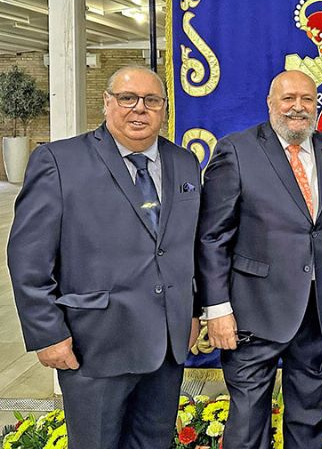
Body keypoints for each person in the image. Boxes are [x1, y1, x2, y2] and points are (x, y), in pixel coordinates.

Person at [7, 65, 202, 449]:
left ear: (164, 108)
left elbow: (186, 246)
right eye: (128, 98)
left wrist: (191, 312)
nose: (139, 109)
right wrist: (48, 332)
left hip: (165, 345)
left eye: (151, 101)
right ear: (107, 102)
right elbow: (28, 257)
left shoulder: (184, 162)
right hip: (93, 345)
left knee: (154, 442)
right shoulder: (60, 161)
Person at [196, 70, 322, 449]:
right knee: (249, 423)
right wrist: (217, 308)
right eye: (288, 99)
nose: (297, 107)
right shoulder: (236, 150)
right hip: (253, 311)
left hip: (319, 311)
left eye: (306, 99)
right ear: (270, 104)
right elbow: (212, 236)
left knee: (310, 418)